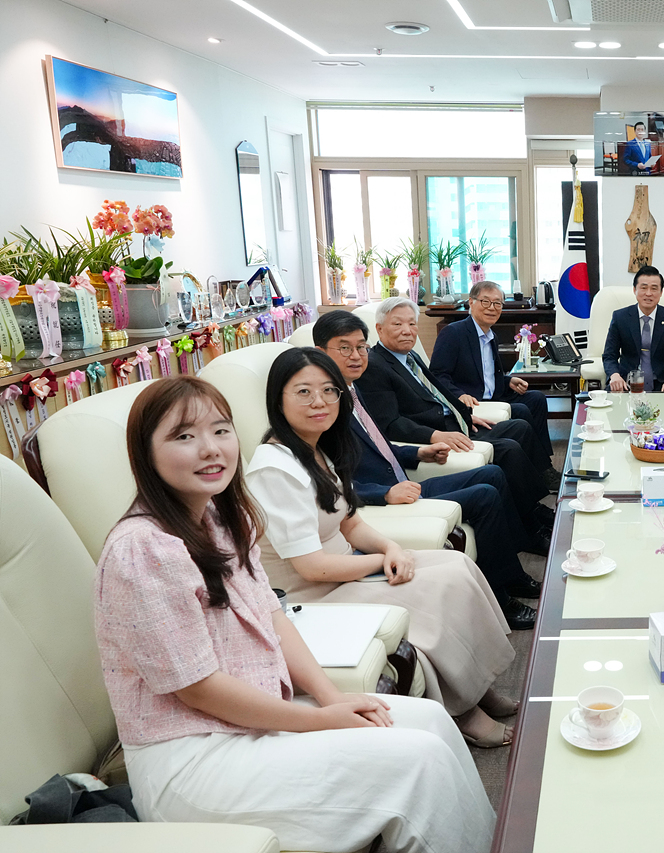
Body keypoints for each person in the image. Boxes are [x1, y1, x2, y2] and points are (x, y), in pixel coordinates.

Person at [94, 376, 495, 853]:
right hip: (193, 757)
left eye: (221, 431)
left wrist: (329, 699)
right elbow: (197, 687)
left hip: (251, 718)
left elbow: (273, 617)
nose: (210, 449)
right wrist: (322, 721)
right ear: (145, 452)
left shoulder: (222, 518)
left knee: (429, 721)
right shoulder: (142, 550)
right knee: (417, 760)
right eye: (183, 436)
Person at [245, 347, 521, 748]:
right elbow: (311, 568)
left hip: (345, 569)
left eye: (328, 391)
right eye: (303, 392)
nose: (318, 402)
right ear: (278, 400)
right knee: (432, 595)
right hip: (313, 594)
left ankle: (474, 685)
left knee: (456, 568)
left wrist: (390, 548)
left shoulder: (319, 447)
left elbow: (351, 523)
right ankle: (462, 710)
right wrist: (381, 560)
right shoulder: (275, 468)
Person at [314, 309, 545, 627]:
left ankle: (515, 569)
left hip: (401, 478)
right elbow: (328, 483)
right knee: (485, 494)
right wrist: (385, 494)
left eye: (361, 347)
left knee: (492, 473)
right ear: (319, 353)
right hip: (382, 496)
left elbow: (379, 447)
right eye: (344, 348)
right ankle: (501, 597)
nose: (356, 356)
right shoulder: (319, 409)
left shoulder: (350, 391)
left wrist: (419, 454)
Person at [357, 297, 557, 505]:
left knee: (520, 427)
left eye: (412, 323)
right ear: (379, 329)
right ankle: (532, 515)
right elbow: (390, 424)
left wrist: (465, 415)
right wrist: (436, 435)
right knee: (509, 449)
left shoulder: (410, 357)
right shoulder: (374, 367)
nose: (407, 330)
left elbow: (438, 391)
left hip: (453, 422)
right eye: (398, 324)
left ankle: (541, 486)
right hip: (434, 432)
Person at [431, 281, 553, 469]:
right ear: (471, 302)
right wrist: (459, 395)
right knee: (520, 412)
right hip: (472, 402)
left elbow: (486, 374)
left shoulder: (491, 336)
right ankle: (539, 467)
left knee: (536, 399)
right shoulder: (453, 333)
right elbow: (437, 376)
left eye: (497, 303)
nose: (492, 308)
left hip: (493, 395)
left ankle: (544, 463)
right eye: (485, 302)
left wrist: (508, 380)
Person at [603, 265, 664, 393]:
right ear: (634, 290)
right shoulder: (620, 317)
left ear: (661, 292)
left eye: (654, 289)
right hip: (626, 383)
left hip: (663, 385)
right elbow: (609, 356)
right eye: (643, 288)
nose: (648, 293)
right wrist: (614, 375)